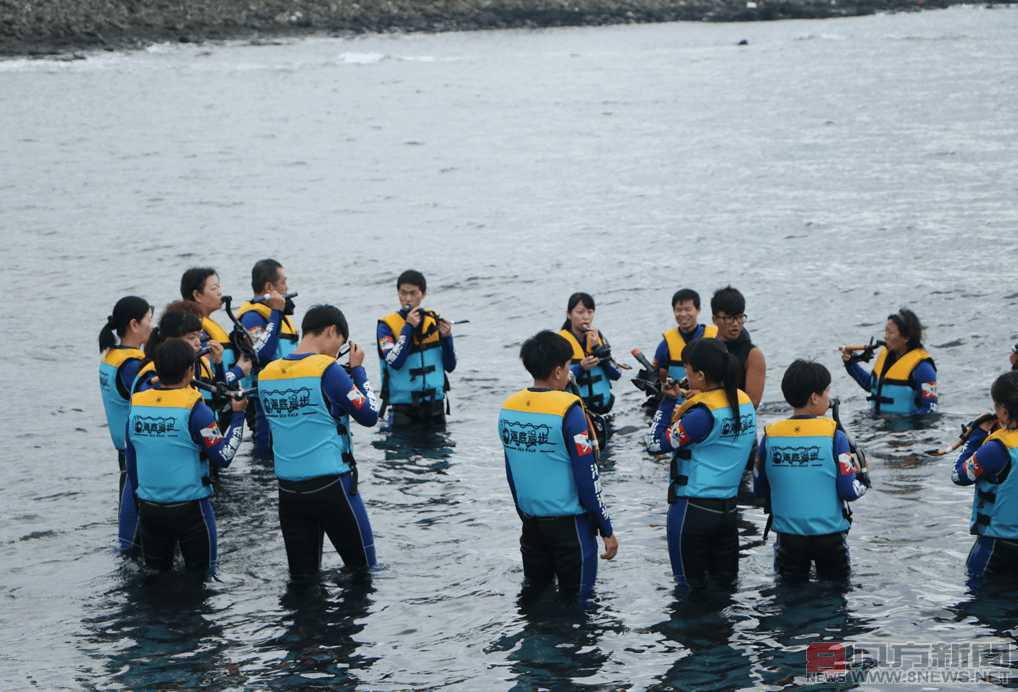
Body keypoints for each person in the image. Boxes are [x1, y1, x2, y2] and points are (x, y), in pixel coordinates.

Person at [259, 304, 381, 578]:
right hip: (332, 487)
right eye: (338, 345)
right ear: (331, 330)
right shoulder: (327, 370)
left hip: (289, 492)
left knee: (303, 580)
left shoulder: (267, 374)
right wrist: (358, 371)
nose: (335, 354)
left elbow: (270, 435)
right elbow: (369, 415)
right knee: (363, 573)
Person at [498, 330, 618, 600]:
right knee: (579, 607)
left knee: (535, 602)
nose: (568, 374)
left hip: (531, 526)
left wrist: (526, 515)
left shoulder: (509, 407)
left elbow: (511, 473)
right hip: (570, 529)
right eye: (566, 367)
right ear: (557, 371)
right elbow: (587, 477)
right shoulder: (569, 411)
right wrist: (606, 529)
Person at [125, 338, 246, 575]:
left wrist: (141, 505)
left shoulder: (136, 406)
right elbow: (223, 456)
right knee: (203, 580)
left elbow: (132, 464)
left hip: (150, 510)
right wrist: (238, 417)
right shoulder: (195, 409)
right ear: (191, 370)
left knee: (155, 580)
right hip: (191, 512)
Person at [652, 338, 756, 590]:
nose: (684, 375)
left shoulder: (700, 415)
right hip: (729, 512)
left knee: (689, 591)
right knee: (725, 589)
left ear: (700, 375)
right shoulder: (744, 402)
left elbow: (655, 443)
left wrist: (667, 403)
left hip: (693, 512)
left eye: (687, 370)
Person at [754, 360, 868, 581]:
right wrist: (863, 478)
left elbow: (759, 489)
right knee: (835, 600)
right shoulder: (835, 436)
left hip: (788, 539)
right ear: (814, 397)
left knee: (789, 599)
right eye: (826, 391)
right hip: (829, 540)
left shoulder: (770, 435)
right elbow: (849, 491)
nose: (829, 397)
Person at [98, 296, 153, 554]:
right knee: (136, 531)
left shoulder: (111, 356)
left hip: (122, 451)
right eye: (149, 320)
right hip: (136, 456)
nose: (151, 326)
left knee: (127, 517)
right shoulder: (131, 365)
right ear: (134, 324)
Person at [952, 371, 1018, 579]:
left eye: (996, 406)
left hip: (997, 549)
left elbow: (959, 475)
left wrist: (977, 436)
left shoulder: (997, 449)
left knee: (982, 607)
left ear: (1005, 412)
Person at [376, 270, 456, 429]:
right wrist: (408, 328)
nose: (407, 299)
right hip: (403, 411)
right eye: (403, 293)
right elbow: (394, 362)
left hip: (435, 409)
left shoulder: (434, 321)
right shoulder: (385, 327)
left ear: (423, 294)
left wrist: (447, 338)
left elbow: (450, 366)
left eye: (413, 293)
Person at [236, 258, 296, 458]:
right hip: (263, 401)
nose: (287, 287)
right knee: (266, 455)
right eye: (283, 282)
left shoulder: (276, 316)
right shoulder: (253, 317)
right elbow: (261, 354)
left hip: (284, 397)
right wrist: (277, 312)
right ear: (270, 286)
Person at [840, 308, 937, 416]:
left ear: (906, 337)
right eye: (885, 331)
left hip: (905, 429)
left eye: (890, 332)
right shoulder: (885, 356)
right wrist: (850, 363)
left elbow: (929, 411)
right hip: (877, 423)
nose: (885, 336)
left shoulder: (924, 368)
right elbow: (871, 385)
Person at [558, 292, 621, 417]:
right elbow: (556, 382)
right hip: (575, 414)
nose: (586, 317)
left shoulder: (599, 338)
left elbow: (616, 374)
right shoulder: (560, 343)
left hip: (603, 412)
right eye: (580, 312)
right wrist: (580, 368)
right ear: (569, 314)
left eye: (590, 312)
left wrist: (599, 351)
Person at [711, 286, 765, 409]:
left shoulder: (753, 355)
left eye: (740, 317)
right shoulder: (707, 350)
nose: (735, 323)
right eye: (729, 318)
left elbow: (753, 403)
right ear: (715, 319)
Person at [180, 266, 240, 379]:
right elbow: (205, 379)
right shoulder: (195, 331)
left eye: (219, 288)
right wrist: (239, 371)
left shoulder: (205, 323)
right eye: (214, 289)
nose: (220, 293)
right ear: (197, 295)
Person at [653, 288, 719, 387]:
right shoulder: (665, 345)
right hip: (678, 398)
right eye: (678, 310)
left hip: (708, 395)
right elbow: (656, 375)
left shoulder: (715, 338)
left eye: (688, 309)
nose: (683, 314)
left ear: (698, 310)